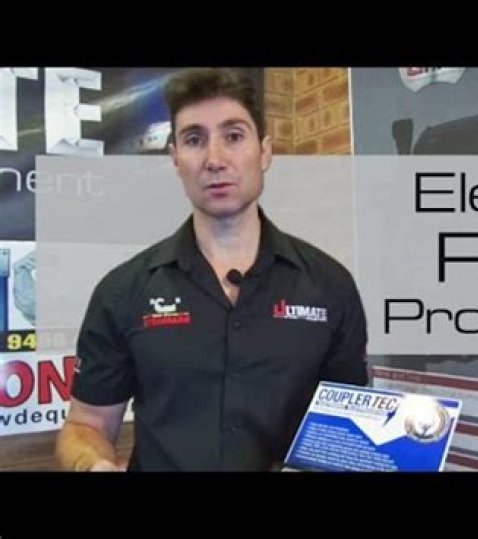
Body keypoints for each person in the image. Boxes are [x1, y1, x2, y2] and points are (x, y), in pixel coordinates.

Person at [55, 68, 368, 471]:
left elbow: (350, 428)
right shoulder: (122, 291)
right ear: (175, 158)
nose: (215, 160)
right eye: (194, 139)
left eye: (233, 136)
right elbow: (86, 424)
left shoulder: (330, 286)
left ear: (265, 152)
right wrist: (92, 464)